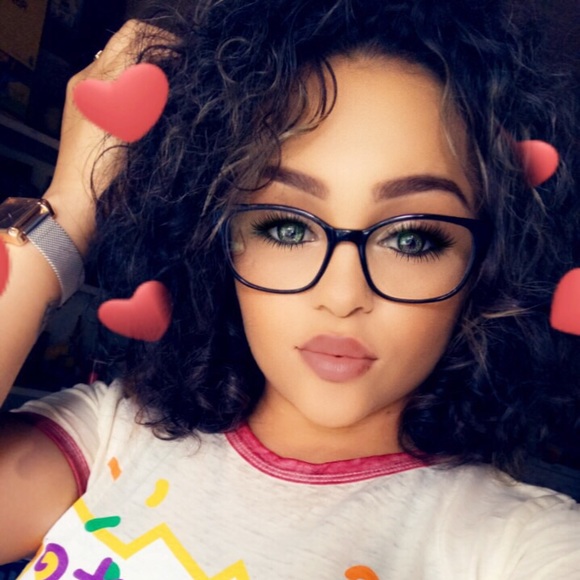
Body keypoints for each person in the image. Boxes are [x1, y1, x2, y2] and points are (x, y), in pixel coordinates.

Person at [1, 0, 579, 577]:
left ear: (486, 265)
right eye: (286, 227)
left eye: (411, 238)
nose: (343, 295)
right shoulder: (113, 435)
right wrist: (66, 209)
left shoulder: (513, 544)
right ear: (217, 243)